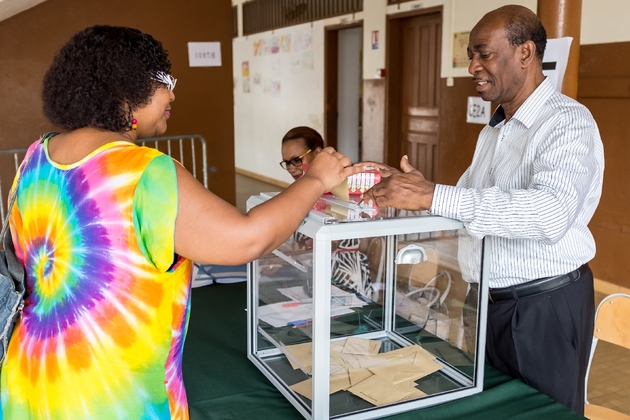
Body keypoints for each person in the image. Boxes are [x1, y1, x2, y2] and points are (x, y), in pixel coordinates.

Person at [1, 26, 361, 419]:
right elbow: (246, 240)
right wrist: (316, 179)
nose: (172, 93)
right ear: (125, 86)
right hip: (112, 400)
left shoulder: (36, 157)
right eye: (163, 81)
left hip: (26, 386)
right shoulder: (144, 173)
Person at [359, 5, 604, 415]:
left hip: (543, 306)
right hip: (490, 303)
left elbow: (549, 213)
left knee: (542, 413)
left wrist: (432, 195)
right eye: (471, 55)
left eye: (483, 53)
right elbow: (475, 207)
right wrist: (414, 190)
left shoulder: (567, 123)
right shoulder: (497, 129)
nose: (472, 65)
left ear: (525, 53)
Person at [278, 126, 374, 298]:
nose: (291, 168)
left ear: (318, 153)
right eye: (287, 163)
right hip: (311, 278)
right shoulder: (299, 190)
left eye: (296, 160)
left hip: (346, 279)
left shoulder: (343, 186)